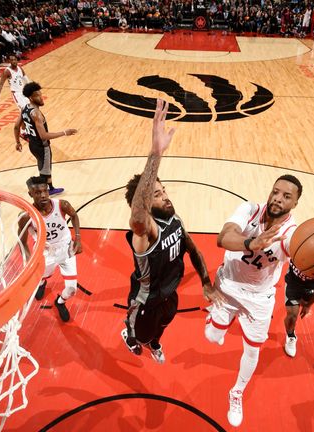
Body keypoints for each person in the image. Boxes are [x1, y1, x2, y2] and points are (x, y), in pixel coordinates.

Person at [203, 176, 314, 427]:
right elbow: (223, 237)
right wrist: (251, 243)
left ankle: (237, 392)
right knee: (211, 337)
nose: (278, 198)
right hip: (228, 286)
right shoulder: (249, 209)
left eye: (286, 196)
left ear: (295, 203)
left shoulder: (292, 235)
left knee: (252, 349)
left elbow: (303, 254)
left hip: (258, 298)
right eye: (276, 192)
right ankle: (220, 321)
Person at [121, 99, 222, 364]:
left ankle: (155, 342)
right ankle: (130, 337)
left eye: (164, 190)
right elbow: (139, 216)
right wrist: (156, 154)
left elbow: (191, 247)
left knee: (162, 327)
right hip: (145, 301)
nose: (165, 196)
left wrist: (206, 282)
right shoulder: (145, 232)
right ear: (144, 203)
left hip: (169, 294)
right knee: (139, 336)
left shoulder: (173, 217)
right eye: (156, 194)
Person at [17, 176, 83, 322]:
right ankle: (42, 283)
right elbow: (21, 240)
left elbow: (74, 215)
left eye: (45, 191)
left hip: (66, 249)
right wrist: (28, 258)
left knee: (72, 289)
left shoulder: (62, 205)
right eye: (37, 192)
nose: (43, 195)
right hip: (46, 252)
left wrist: (78, 238)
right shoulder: (26, 216)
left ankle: (60, 302)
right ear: (30, 194)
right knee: (41, 276)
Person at [14, 82, 77, 195]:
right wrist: (64, 132)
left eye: (40, 94)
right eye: (37, 95)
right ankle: (41, 192)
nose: (41, 97)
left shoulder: (24, 108)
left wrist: (17, 142)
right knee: (44, 171)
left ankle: (51, 188)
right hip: (42, 146)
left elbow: (16, 127)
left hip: (32, 145)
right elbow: (44, 135)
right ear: (31, 98)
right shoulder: (36, 114)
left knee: (44, 166)